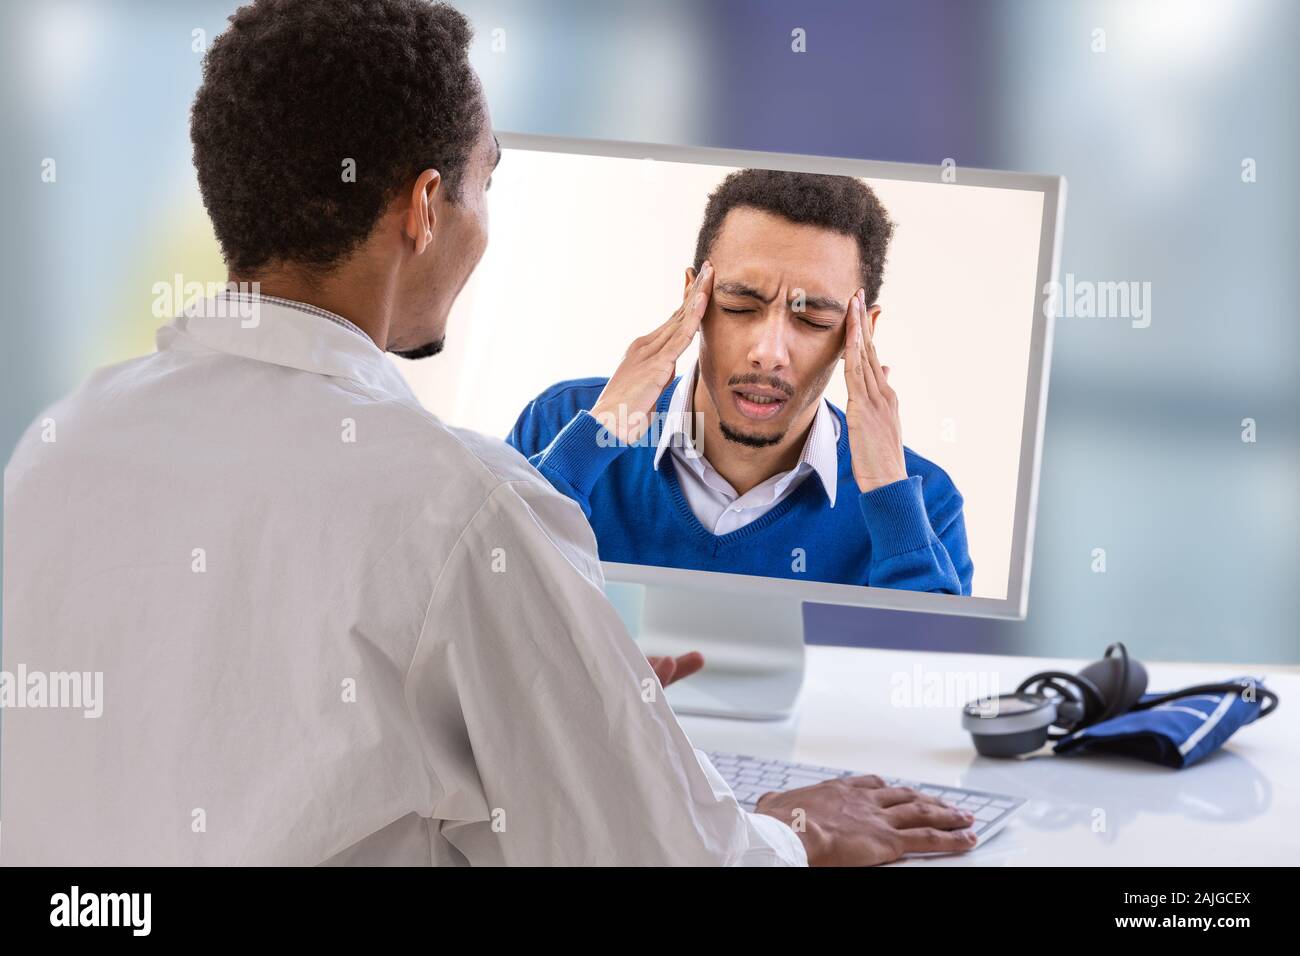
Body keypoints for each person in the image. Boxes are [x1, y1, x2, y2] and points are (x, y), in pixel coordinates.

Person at [1, 0, 978, 866]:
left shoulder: (62, 440)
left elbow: (207, 699)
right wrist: (785, 831)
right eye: (483, 184)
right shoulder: (459, 502)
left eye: (810, 314)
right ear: (426, 207)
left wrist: (546, 673)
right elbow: (655, 859)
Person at [509, 169, 973, 593]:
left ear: (861, 333)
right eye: (739, 306)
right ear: (694, 298)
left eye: (812, 317)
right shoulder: (561, 426)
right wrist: (593, 441)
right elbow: (476, 600)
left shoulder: (925, 505)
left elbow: (926, 670)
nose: (768, 353)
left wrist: (887, 494)